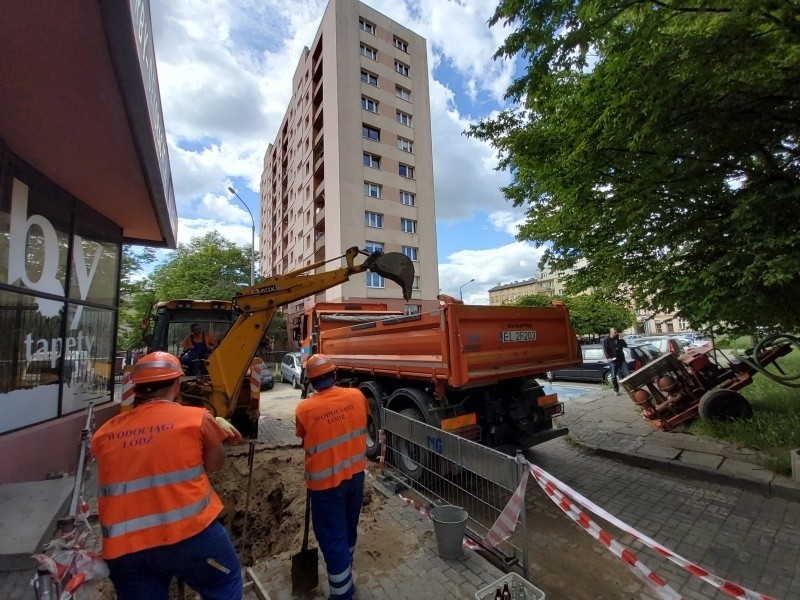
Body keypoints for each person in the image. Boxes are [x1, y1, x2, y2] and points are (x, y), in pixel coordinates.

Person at [91, 351, 244, 600]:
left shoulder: (104, 435)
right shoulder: (195, 419)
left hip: (125, 550)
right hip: (192, 537)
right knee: (224, 582)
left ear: (137, 389)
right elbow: (215, 465)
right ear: (177, 382)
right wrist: (213, 432)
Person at [294, 354, 369, 600]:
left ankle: (342, 592)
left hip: (326, 486)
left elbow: (303, 436)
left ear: (311, 381)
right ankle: (346, 567)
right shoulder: (357, 396)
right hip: (356, 477)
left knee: (331, 535)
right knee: (348, 527)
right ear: (334, 374)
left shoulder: (305, 408)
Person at [602, 327, 630, 396]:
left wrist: (621, 339)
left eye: (617, 332)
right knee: (613, 376)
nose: (616, 333)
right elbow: (605, 350)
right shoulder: (606, 340)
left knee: (627, 374)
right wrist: (608, 358)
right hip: (613, 361)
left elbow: (625, 345)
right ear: (611, 332)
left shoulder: (619, 339)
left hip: (621, 359)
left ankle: (629, 388)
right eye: (615, 332)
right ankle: (616, 389)